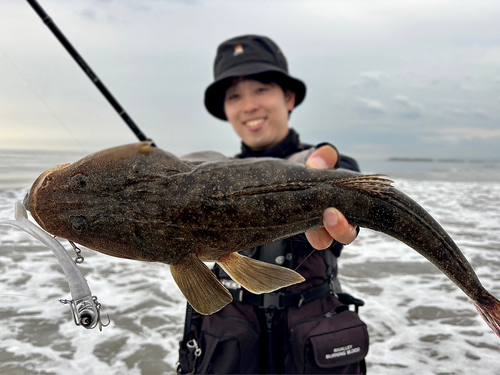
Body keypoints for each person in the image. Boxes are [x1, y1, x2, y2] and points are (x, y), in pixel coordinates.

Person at [178, 35, 369, 374]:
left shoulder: (320, 165)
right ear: (225, 109)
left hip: (309, 346)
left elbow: (346, 180)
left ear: (289, 97)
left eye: (261, 89)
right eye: (234, 96)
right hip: (228, 347)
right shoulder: (202, 182)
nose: (248, 104)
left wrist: (344, 199)